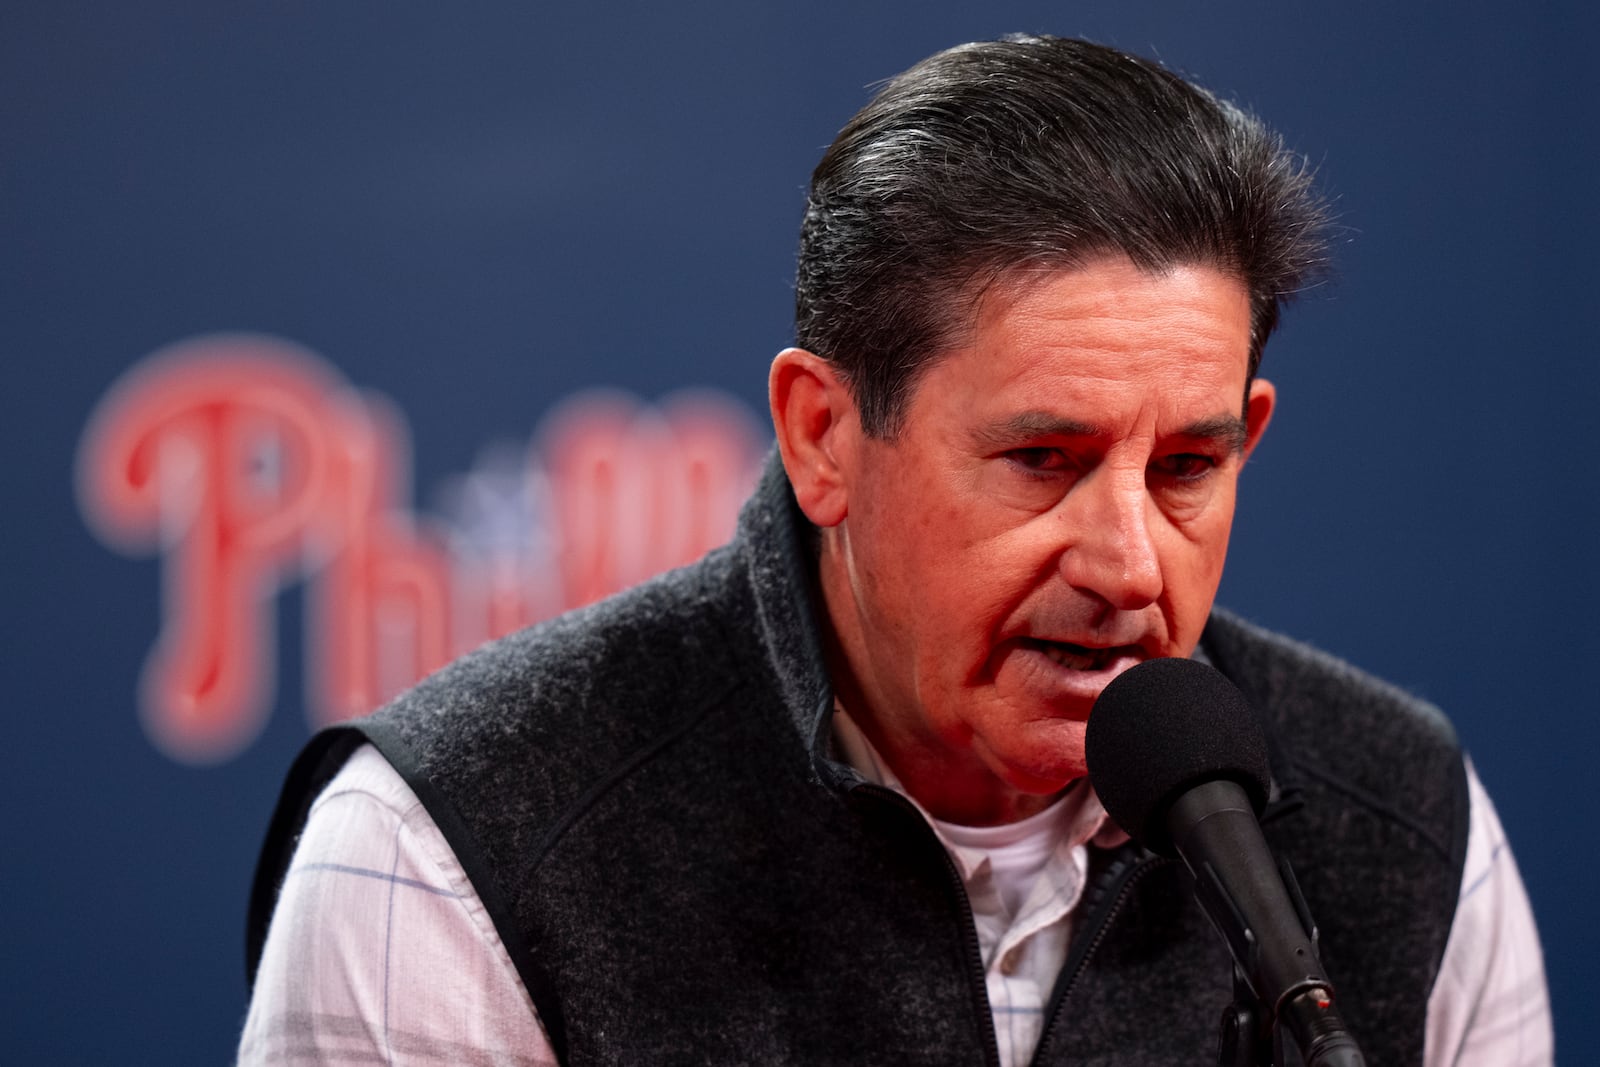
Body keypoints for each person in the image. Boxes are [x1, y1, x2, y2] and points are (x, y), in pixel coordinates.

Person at [239, 35, 1551, 1066]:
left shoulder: (1408, 823)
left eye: (1187, 468)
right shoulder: (455, 853)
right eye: (1043, 459)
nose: (1130, 563)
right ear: (823, 438)